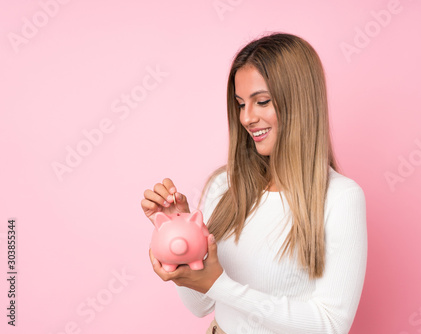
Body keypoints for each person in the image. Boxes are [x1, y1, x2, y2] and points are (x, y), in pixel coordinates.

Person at [141, 32, 367, 334]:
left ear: (299, 102)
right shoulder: (225, 186)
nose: (247, 118)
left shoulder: (340, 198)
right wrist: (180, 238)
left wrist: (220, 285)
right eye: (240, 104)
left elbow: (330, 324)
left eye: (261, 102)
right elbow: (200, 307)